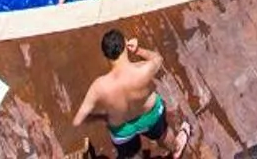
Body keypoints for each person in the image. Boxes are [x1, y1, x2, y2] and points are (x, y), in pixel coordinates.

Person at [72, 29, 187, 158]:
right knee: (163, 135)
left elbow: (79, 119)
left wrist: (103, 117)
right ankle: (176, 149)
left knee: (131, 154)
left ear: (106, 55)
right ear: (126, 45)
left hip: (122, 129)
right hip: (150, 116)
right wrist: (138, 50)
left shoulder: (99, 86)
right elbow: (158, 59)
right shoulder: (143, 68)